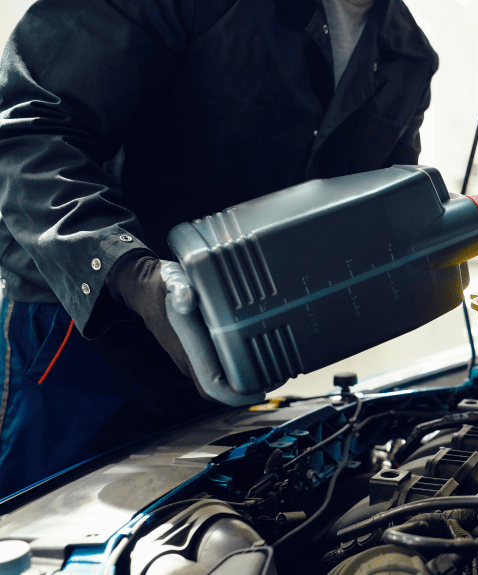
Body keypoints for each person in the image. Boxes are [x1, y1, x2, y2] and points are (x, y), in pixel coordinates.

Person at [0, 0, 438, 498]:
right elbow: (29, 124)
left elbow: (368, 214)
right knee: (47, 531)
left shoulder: (407, 56)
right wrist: (133, 274)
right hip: (86, 332)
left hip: (227, 350)